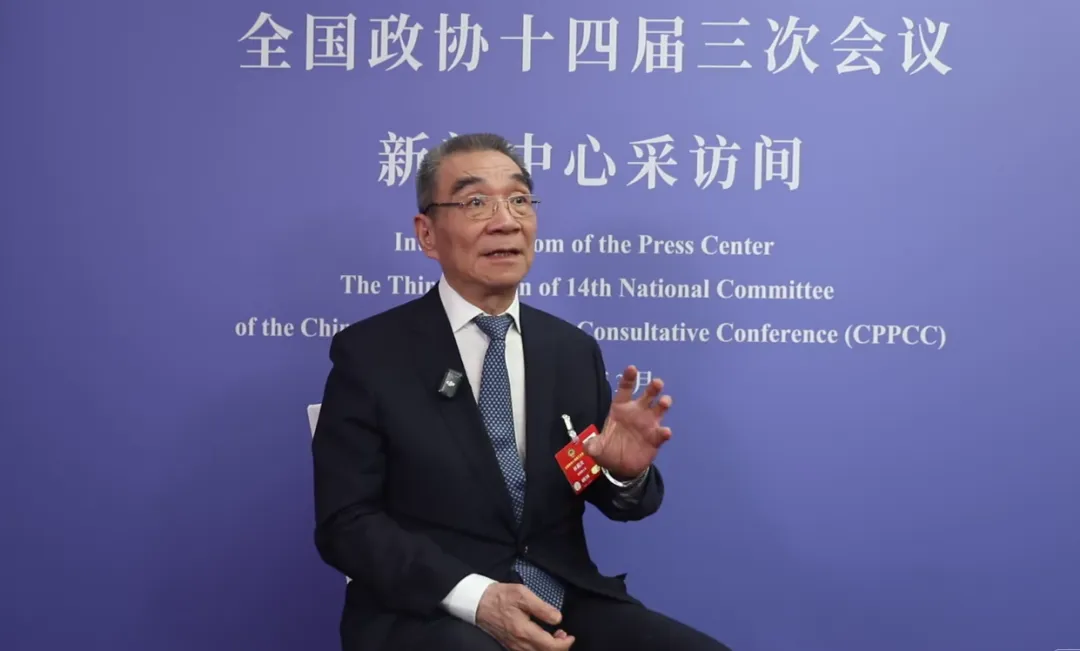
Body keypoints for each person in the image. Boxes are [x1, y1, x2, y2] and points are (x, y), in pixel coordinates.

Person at [312, 133, 731, 651]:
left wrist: (623, 474)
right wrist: (479, 598)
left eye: (519, 200)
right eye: (475, 203)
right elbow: (346, 522)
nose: (505, 221)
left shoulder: (570, 350)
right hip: (433, 609)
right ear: (427, 234)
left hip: (563, 599)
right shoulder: (372, 353)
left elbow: (605, 492)